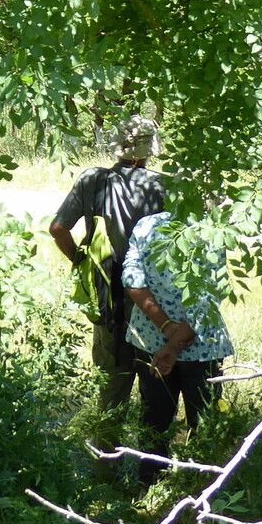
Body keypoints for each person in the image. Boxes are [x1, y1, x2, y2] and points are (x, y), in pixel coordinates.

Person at [49, 115, 166, 409]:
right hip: (152, 301)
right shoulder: (163, 187)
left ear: (117, 147)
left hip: (107, 297)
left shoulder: (92, 180)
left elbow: (58, 229)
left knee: (111, 387)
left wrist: (80, 260)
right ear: (148, 151)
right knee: (155, 386)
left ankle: (106, 437)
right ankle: (151, 437)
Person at [122, 210, 233, 486]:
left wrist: (167, 332)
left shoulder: (146, 225)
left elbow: (132, 281)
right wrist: (174, 341)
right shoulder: (210, 229)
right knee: (204, 422)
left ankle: (149, 487)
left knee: (154, 420)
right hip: (202, 347)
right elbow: (210, 293)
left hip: (150, 342)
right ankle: (203, 489)